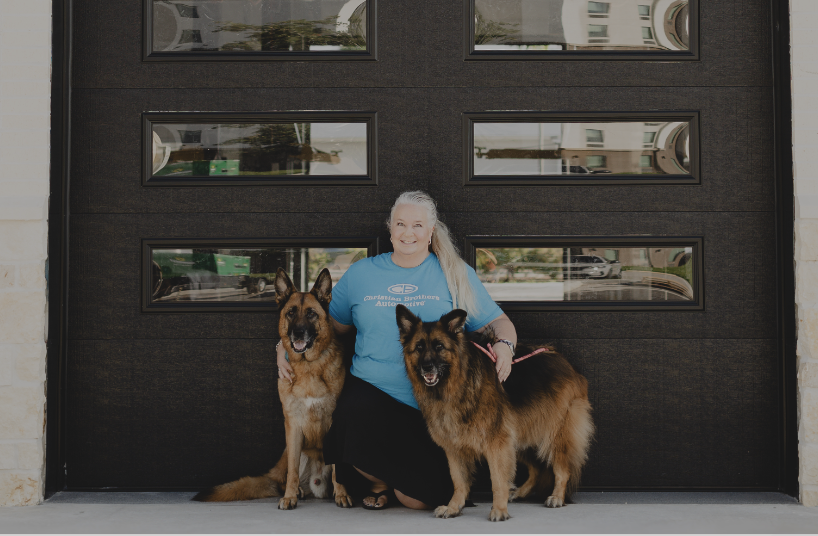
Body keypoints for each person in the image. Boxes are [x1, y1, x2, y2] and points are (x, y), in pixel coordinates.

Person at [276, 191, 518, 510]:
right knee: (348, 420)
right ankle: (379, 482)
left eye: (417, 225)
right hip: (370, 398)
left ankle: (395, 487)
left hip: (433, 407)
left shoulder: (455, 273)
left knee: (418, 500)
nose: (408, 232)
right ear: (390, 229)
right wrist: (283, 346)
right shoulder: (361, 275)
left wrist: (505, 345)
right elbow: (320, 327)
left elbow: (498, 322)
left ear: (430, 231)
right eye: (401, 223)